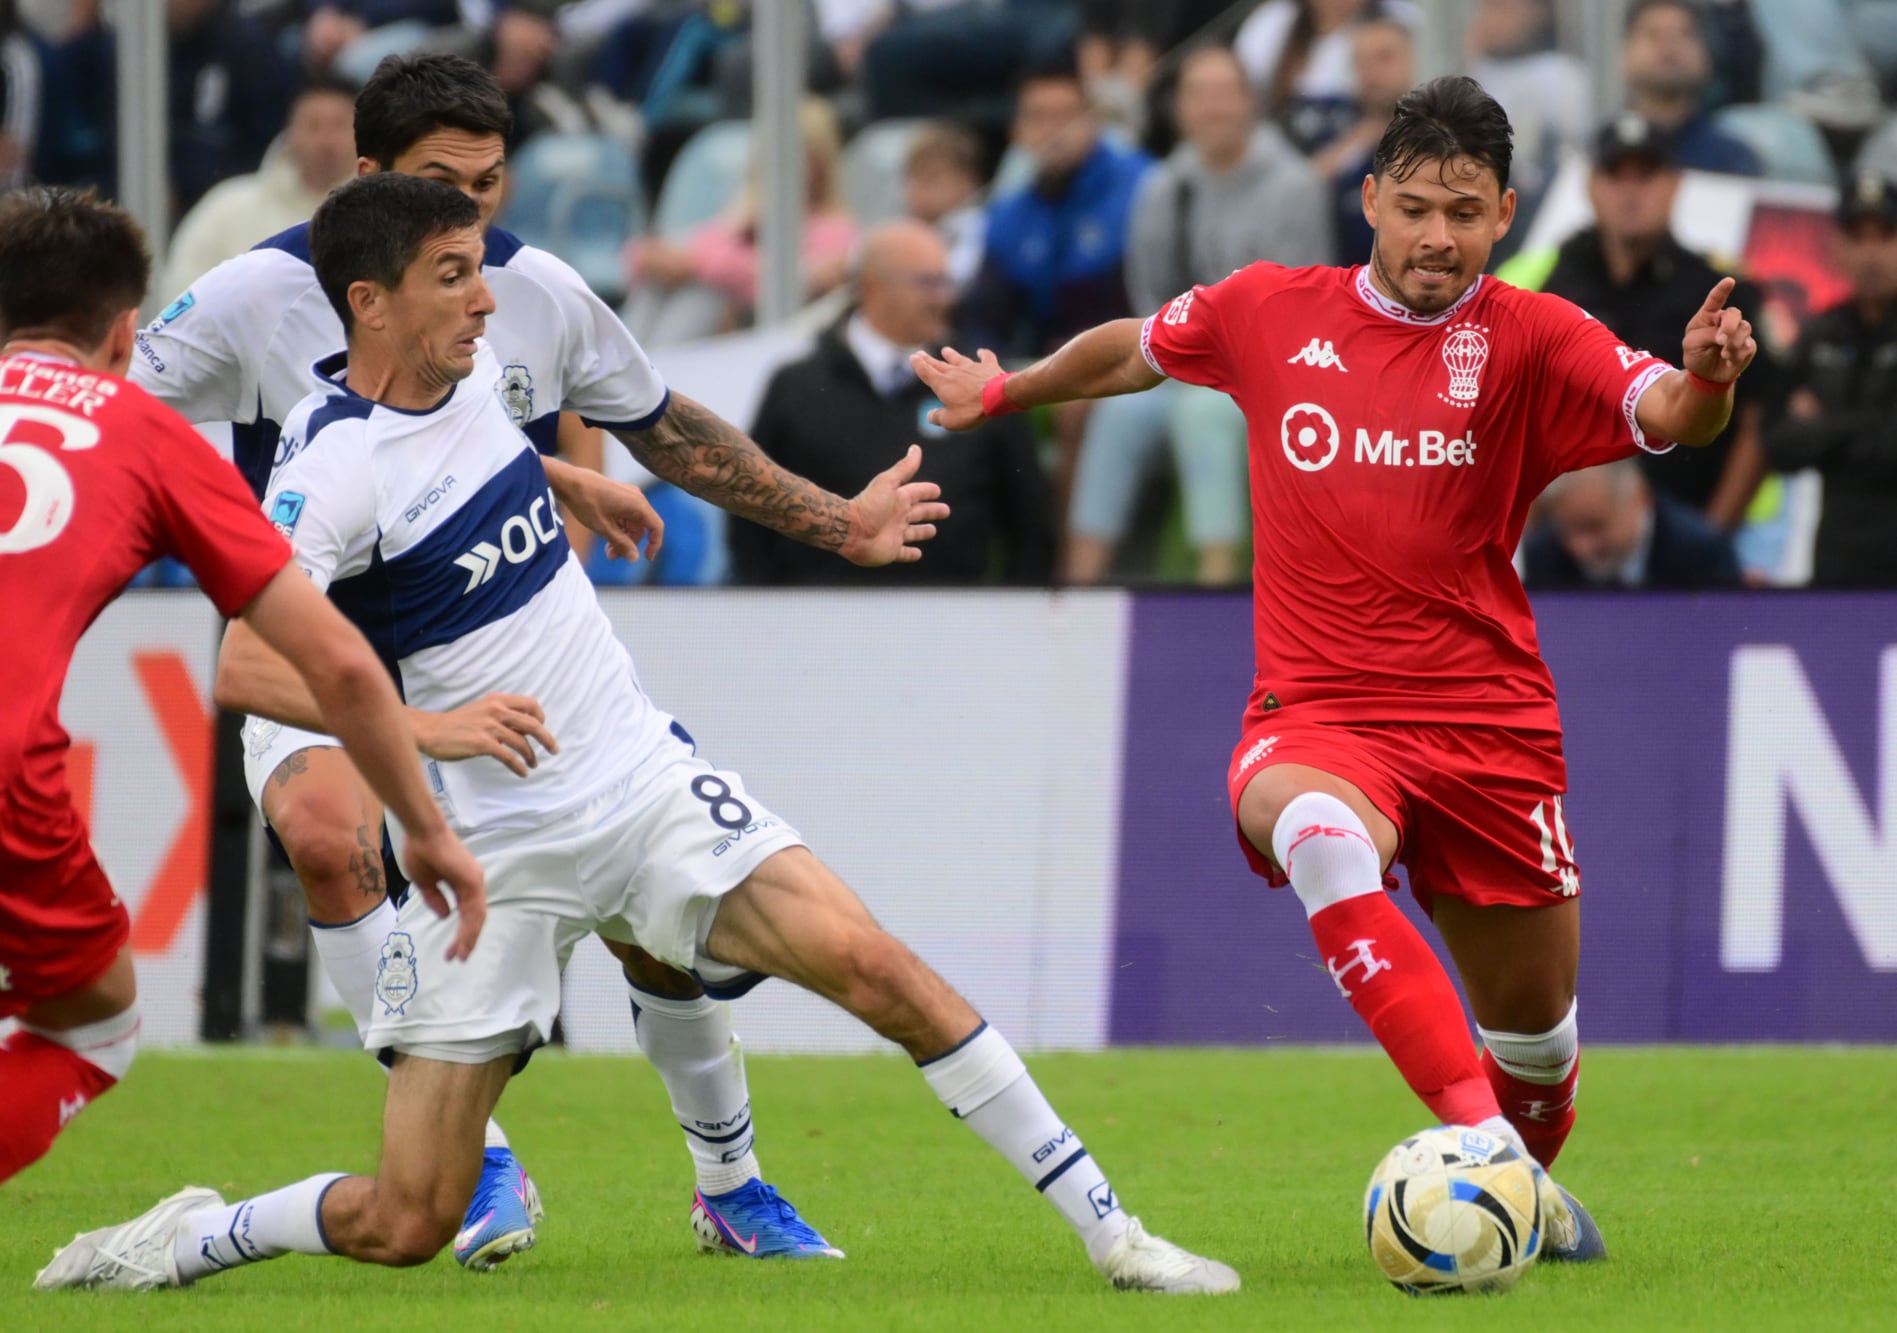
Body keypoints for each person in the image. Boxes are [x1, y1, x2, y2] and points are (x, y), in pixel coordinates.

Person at [35, 172, 1239, 1298]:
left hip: (642, 779)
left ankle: (1114, 1231)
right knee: (407, 1221)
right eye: (453, 273)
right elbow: (246, 660)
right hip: (495, 846)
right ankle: (189, 1236)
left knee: (878, 970)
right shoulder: (331, 462)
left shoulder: (468, 374)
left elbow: (489, 443)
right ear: (370, 302)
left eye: (478, 266)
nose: (485, 293)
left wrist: (569, 481)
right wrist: (432, 723)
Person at [916, 74, 1760, 1260]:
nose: (1437, 234)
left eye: (1464, 212)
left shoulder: (1530, 334)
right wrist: (1006, 389)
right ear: (1368, 199)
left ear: (1504, 216)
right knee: (1310, 823)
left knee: (1538, 1041)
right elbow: (1137, 349)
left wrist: (1713, 374)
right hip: (1318, 712)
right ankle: (1487, 1154)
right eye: (1414, 205)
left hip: (1488, 720)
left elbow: (1665, 410)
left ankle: (1515, 1171)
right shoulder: (1270, 310)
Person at [127, 52, 840, 1264]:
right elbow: (125, 420)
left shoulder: (533, 288)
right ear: (367, 183)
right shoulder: (251, 296)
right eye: (439, 187)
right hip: (319, 654)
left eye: (491, 187)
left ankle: (730, 1181)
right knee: (322, 835)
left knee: (640, 914)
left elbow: (657, 425)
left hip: (497, 657)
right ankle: (475, 1159)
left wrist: (836, 521)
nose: (472, 220)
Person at [0, 185, 483, 1186]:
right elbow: (337, 658)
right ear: (128, 335)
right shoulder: (143, 430)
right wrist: (424, 827)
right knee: (90, 1025)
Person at [1067, 44, 1331, 585]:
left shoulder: (1294, 187)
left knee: (1203, 415)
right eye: (1198, 95)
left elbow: (1306, 307)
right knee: (1114, 415)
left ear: (1248, 103)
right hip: (1181, 362)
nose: (1212, 109)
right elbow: (1149, 296)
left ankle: (1215, 588)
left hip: (1272, 373)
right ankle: (1076, 588)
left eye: (1224, 94)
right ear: (1179, 109)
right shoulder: (1163, 188)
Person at [733, 220, 1055, 587]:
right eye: (927, 283)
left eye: (946, 282)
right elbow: (751, 509)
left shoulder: (981, 388)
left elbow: (1031, 525)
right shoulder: (795, 388)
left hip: (950, 629)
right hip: (818, 627)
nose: (944, 299)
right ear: (872, 287)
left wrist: (1005, 623)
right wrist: (769, 614)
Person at [1498, 113, 1771, 533]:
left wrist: (1710, 541)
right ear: (1590, 185)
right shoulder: (1545, 282)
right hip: (1570, 543)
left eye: (1646, 174)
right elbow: (1519, 416)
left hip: (1692, 536)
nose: (1630, 191)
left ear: (1676, 184)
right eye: (1615, 173)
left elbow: (1758, 423)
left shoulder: (1720, 289)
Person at [622, 96, 859, 347]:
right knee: (660, 283)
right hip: (724, 321)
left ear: (820, 162)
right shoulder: (750, 213)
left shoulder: (838, 231)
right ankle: (632, 366)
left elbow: (784, 282)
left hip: (764, 337)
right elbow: (645, 257)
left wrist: (697, 264)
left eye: (793, 153)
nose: (775, 163)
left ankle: (652, 371)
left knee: (705, 293)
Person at [1765, 169, 1897, 587]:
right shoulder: (1821, 332)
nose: (1871, 254)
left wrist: (1824, 426)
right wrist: (1870, 424)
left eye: (1884, 236)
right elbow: (1777, 443)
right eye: (1857, 237)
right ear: (1836, 248)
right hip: (1837, 558)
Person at [162, 73, 360, 299]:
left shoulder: (385, 213)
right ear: (291, 131)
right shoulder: (227, 207)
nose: (326, 140)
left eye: (339, 125)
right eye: (313, 126)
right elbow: (182, 295)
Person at [1521, 459, 1742, 590]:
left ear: (1640, 498)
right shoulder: (1542, 555)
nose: (1580, 547)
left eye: (1594, 526)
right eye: (1567, 530)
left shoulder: (1702, 554)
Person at [1310, 10, 1414, 266]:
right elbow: (1299, 193)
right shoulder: (1330, 128)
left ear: (1413, 59)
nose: (1372, 73)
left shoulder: (1446, 132)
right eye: (1361, 62)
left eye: (1384, 58)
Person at [1619, 0, 1758, 176]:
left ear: (1707, 56)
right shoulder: (1597, 156)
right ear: (1625, 54)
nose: (1668, 46)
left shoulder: (1733, 160)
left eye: (1684, 34)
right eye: (1653, 34)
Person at [902, 121, 987, 297]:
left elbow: (955, 278)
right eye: (911, 178)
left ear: (967, 181)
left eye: (930, 177)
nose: (916, 190)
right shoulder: (909, 228)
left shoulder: (978, 226)